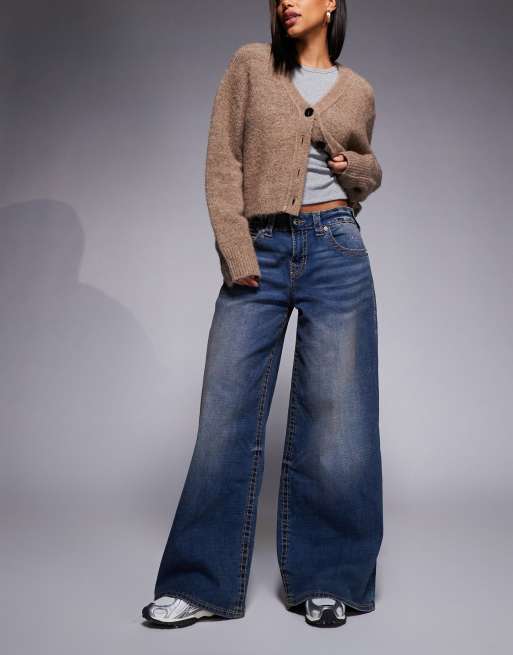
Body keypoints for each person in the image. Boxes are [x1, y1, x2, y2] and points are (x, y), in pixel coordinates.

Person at [142, 0, 383, 629]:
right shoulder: (250, 65)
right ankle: (200, 583)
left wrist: (354, 167)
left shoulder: (358, 90)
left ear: (332, 4)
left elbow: (368, 173)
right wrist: (236, 250)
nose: (285, 2)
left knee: (338, 418)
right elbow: (223, 160)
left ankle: (329, 578)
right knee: (225, 413)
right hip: (262, 247)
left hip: (337, 249)